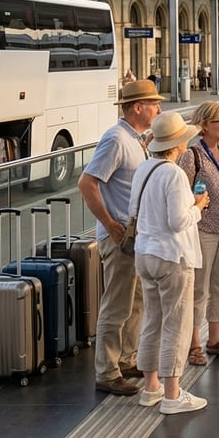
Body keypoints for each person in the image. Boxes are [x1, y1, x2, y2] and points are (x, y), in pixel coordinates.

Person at [80, 80, 162, 396]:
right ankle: (107, 371)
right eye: (154, 104)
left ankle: (126, 359)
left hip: (135, 237)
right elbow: (87, 183)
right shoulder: (115, 139)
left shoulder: (137, 140)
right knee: (116, 305)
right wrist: (110, 224)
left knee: (135, 301)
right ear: (137, 107)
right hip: (120, 238)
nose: (159, 109)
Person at [131, 112, 209, 414]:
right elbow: (177, 221)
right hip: (171, 256)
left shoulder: (144, 168)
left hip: (145, 253)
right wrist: (198, 206)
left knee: (152, 321)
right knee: (176, 324)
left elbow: (133, 210)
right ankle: (173, 395)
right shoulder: (174, 174)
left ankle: (151, 388)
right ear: (177, 144)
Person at [180, 102, 219, 366]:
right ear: (204, 125)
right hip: (203, 228)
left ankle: (214, 339)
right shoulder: (191, 155)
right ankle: (194, 343)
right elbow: (182, 193)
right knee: (199, 287)